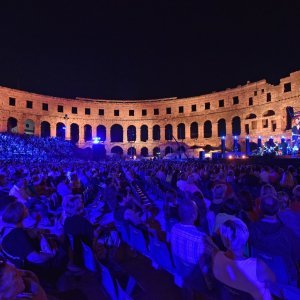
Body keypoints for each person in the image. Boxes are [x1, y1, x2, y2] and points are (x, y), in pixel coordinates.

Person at [213, 219, 274, 300]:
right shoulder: (258, 266)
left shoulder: (216, 256)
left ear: (223, 239)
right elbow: (273, 281)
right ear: (245, 236)